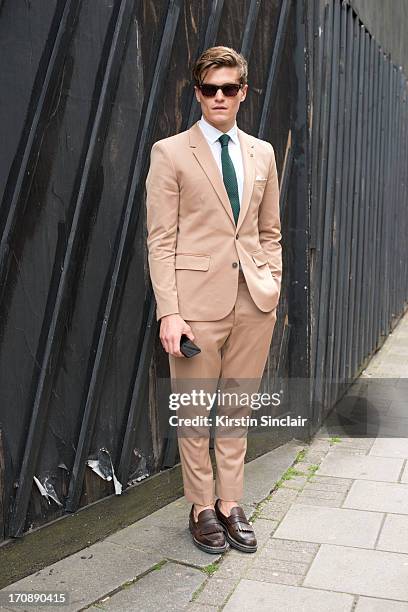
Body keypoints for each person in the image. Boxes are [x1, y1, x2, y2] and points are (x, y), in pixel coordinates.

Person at [145, 46, 282, 554]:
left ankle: (231, 502)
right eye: (209, 89)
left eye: (229, 88)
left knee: (237, 410)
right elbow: (160, 239)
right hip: (196, 305)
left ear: (243, 92)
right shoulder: (170, 152)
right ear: (197, 92)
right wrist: (170, 311)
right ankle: (201, 505)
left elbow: (270, 231)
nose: (219, 97)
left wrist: (272, 281)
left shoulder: (263, 152)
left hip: (254, 300)